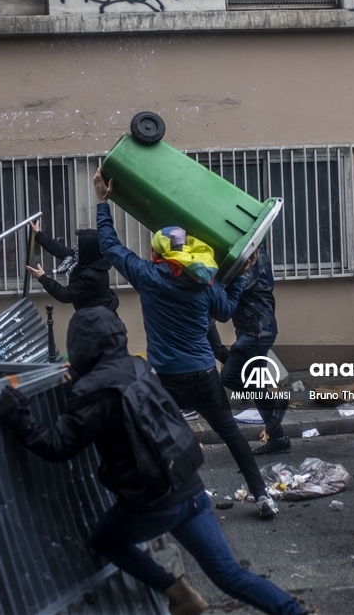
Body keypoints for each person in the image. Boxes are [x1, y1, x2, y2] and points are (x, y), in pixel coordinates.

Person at [0, 307, 307, 615]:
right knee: (229, 575)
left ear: (79, 346)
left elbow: (57, 446)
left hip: (152, 502)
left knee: (106, 540)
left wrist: (18, 416)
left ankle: (177, 592)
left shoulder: (92, 392)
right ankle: (293, 611)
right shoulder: (138, 368)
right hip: (191, 489)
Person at [92, 169, 277, 519]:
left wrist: (104, 202)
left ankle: (158, 498)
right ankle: (262, 495)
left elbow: (110, 246)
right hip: (205, 374)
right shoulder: (203, 283)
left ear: (157, 254)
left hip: (166, 379)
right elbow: (224, 313)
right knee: (232, 435)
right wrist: (238, 276)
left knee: (152, 437)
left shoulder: (147, 276)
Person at [218, 247, 289, 455]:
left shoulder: (255, 256)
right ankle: (279, 438)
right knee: (255, 384)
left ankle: (275, 402)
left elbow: (239, 285)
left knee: (229, 377)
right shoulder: (245, 254)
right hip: (253, 330)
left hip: (257, 331)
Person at [25, 219, 119, 313]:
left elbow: (65, 295)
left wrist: (43, 278)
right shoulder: (87, 259)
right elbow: (59, 249)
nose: (76, 245)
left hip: (100, 323)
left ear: (87, 248)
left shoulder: (92, 277)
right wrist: (38, 233)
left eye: (79, 244)